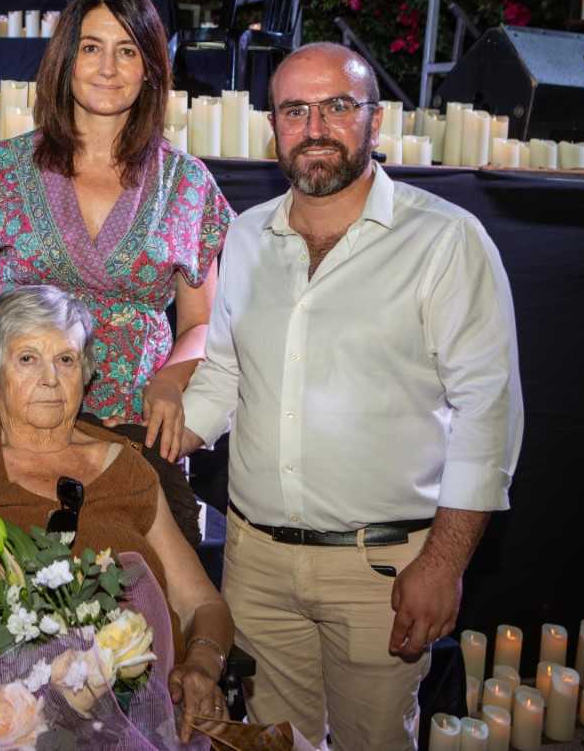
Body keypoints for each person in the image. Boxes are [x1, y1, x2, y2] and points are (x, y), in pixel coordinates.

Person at [172, 43, 524, 749]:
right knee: (273, 741)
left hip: (382, 572)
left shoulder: (446, 242)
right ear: (273, 126)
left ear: (375, 119)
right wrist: (138, 440)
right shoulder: (247, 236)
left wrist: (443, 562)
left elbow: (488, 411)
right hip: (257, 568)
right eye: (294, 110)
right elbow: (225, 376)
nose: (315, 128)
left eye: (336, 106)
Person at [0, 285, 235, 744]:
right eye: (27, 359)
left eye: (66, 360)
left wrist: (202, 663)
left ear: (86, 375)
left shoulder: (128, 468)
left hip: (139, 716)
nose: (50, 379)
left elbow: (201, 603)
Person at [0, 0, 233, 459]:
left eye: (127, 51)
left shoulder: (187, 183)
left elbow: (200, 324)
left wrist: (171, 381)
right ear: (66, 59)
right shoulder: (1, 170)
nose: (108, 68)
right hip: (17, 425)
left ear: (150, 68)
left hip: (133, 430)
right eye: (92, 48)